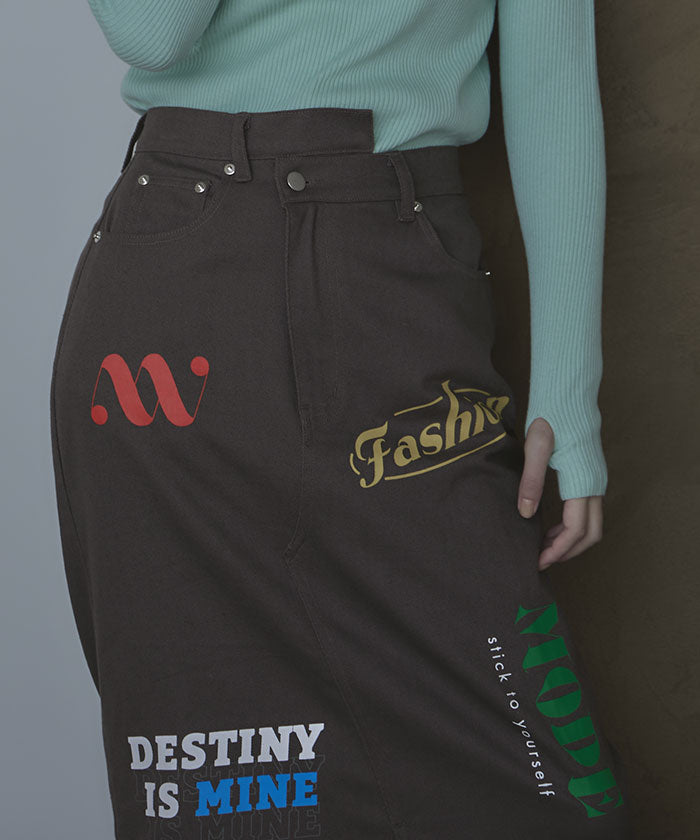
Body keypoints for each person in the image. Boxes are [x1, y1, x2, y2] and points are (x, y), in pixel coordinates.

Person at [50, 0, 632, 837]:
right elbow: (154, 32)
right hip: (182, 301)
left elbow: (554, 77)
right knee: (227, 807)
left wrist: (569, 396)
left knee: (554, 798)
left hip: (396, 275)